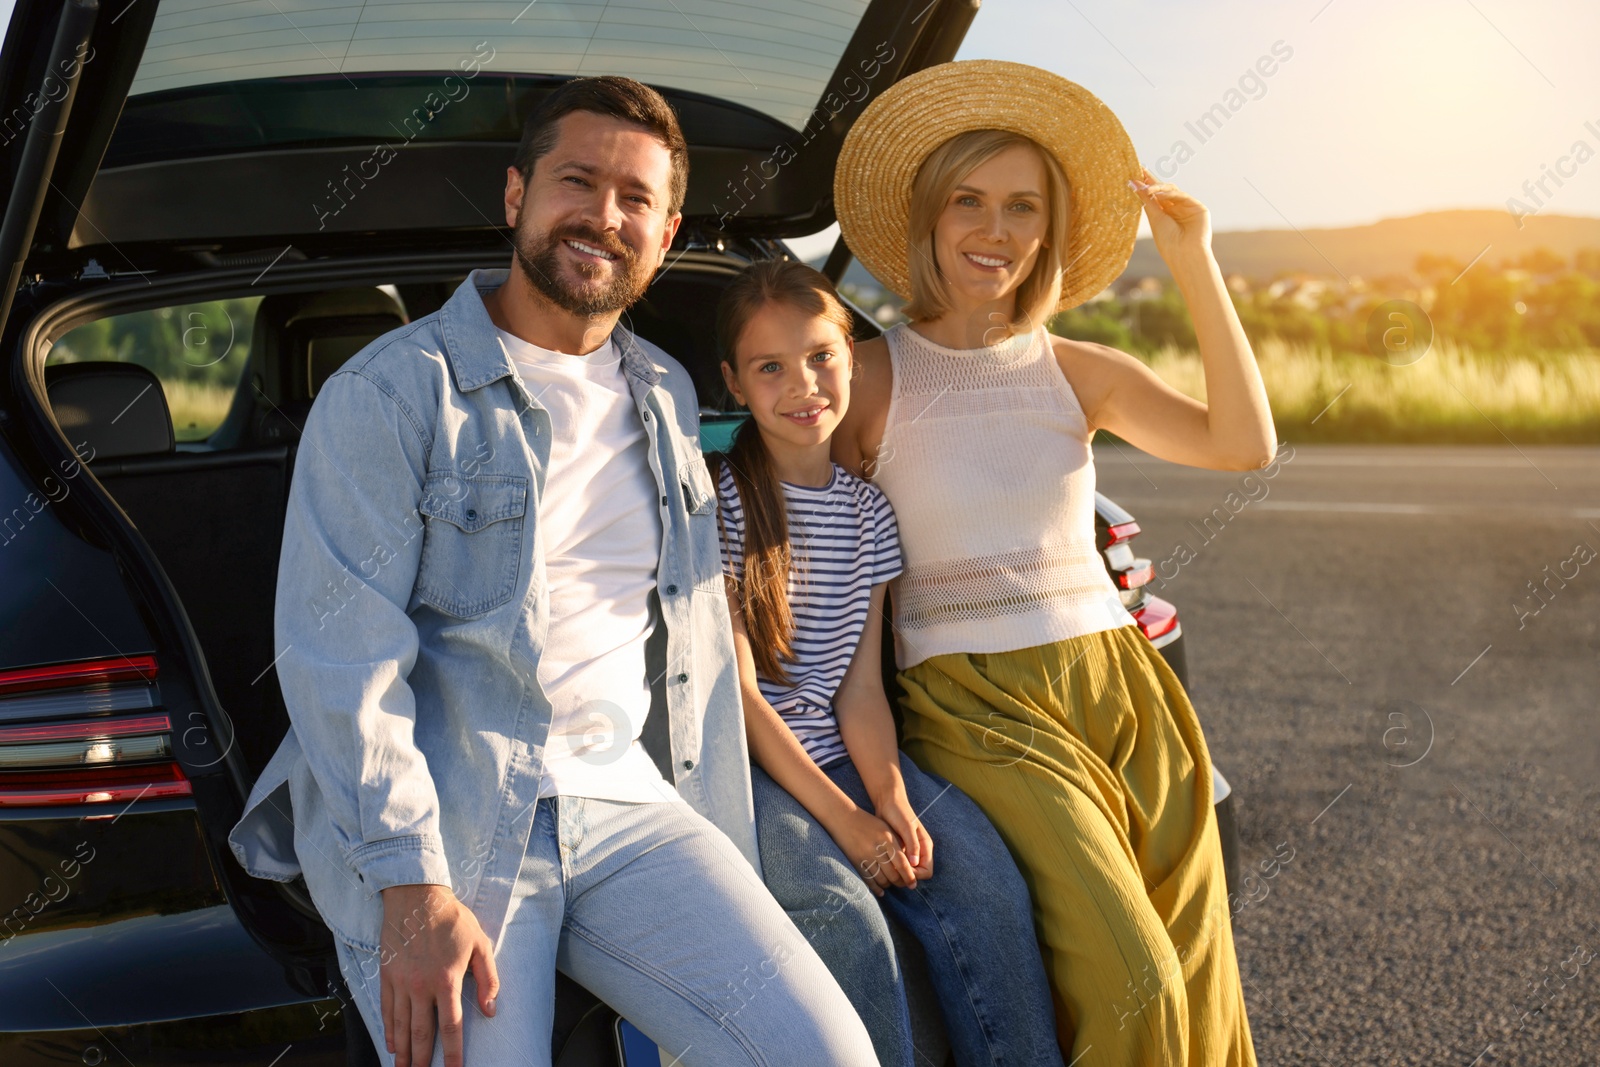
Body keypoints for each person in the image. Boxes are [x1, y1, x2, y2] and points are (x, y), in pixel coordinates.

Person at [226, 75, 877, 1067]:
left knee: (824, 1052)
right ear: (516, 195)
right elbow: (341, 656)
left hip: (635, 805)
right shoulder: (394, 394)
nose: (603, 216)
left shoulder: (663, 388)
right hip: (455, 816)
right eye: (578, 180)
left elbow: (698, 627)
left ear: (665, 238)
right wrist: (410, 886)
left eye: (636, 200)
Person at [828, 59, 1273, 1066]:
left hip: (1125, 689)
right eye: (969, 201)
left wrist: (1194, 257)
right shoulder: (863, 378)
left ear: (1049, 228)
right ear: (929, 217)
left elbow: (1245, 444)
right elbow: (808, 552)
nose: (995, 230)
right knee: (1134, 982)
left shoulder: (1078, 369)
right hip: (972, 704)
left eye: (1022, 207)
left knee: (1198, 975)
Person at [708, 259, 1067, 1067]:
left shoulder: (869, 511)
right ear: (734, 381)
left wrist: (893, 799)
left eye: (821, 356)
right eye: (770, 367)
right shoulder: (721, 502)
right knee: (846, 918)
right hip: (757, 773)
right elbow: (739, 699)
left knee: (987, 892)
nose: (803, 385)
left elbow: (861, 690)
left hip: (848, 753)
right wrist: (848, 821)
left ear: (854, 359)